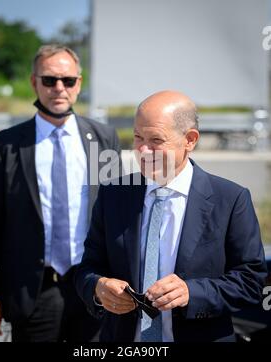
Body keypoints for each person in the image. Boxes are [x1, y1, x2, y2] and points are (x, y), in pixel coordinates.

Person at [75, 90, 267, 342]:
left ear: (190, 139)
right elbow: (88, 268)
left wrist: (192, 292)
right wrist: (99, 288)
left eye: (156, 140)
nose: (143, 150)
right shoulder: (113, 195)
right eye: (137, 137)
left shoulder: (230, 199)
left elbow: (251, 281)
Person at [0, 44, 121, 342]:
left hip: (93, 286)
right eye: (49, 80)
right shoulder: (7, 145)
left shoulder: (103, 138)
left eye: (67, 80)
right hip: (34, 290)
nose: (59, 88)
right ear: (34, 82)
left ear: (78, 84)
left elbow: (116, 211)